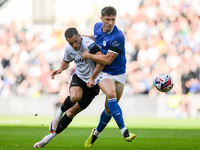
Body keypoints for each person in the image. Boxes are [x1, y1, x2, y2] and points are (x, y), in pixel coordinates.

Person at [33, 27, 104, 148]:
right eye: (71, 43)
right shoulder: (69, 49)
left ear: (80, 36)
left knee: (71, 113)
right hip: (79, 78)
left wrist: (93, 77)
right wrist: (61, 69)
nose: (75, 45)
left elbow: (101, 60)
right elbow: (66, 61)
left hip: (92, 84)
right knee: (76, 96)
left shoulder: (88, 44)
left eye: (76, 41)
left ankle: (48, 138)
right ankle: (58, 114)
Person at [81, 6, 136, 148]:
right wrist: (81, 38)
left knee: (108, 109)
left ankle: (95, 133)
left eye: (113, 19)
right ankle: (124, 131)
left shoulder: (118, 36)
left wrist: (88, 55)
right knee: (110, 94)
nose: (110, 22)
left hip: (119, 73)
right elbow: (97, 38)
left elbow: (107, 60)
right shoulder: (97, 27)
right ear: (101, 19)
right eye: (107, 19)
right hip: (103, 72)